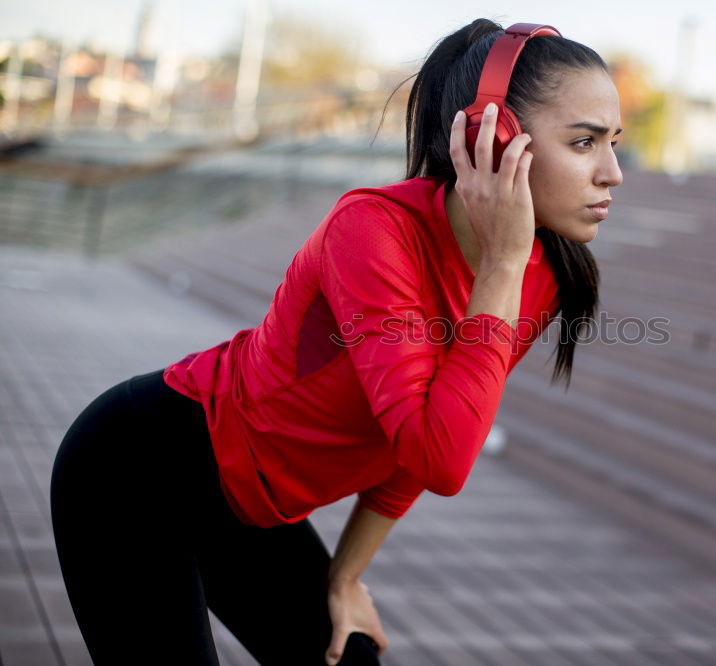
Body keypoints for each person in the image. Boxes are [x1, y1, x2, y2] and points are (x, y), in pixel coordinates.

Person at [49, 17, 623, 666]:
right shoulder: (374, 231)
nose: (613, 173)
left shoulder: (538, 273)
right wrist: (501, 265)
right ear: (494, 139)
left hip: (253, 509)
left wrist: (345, 577)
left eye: (613, 143)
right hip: (142, 468)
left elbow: (427, 441)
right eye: (584, 142)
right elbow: (443, 459)